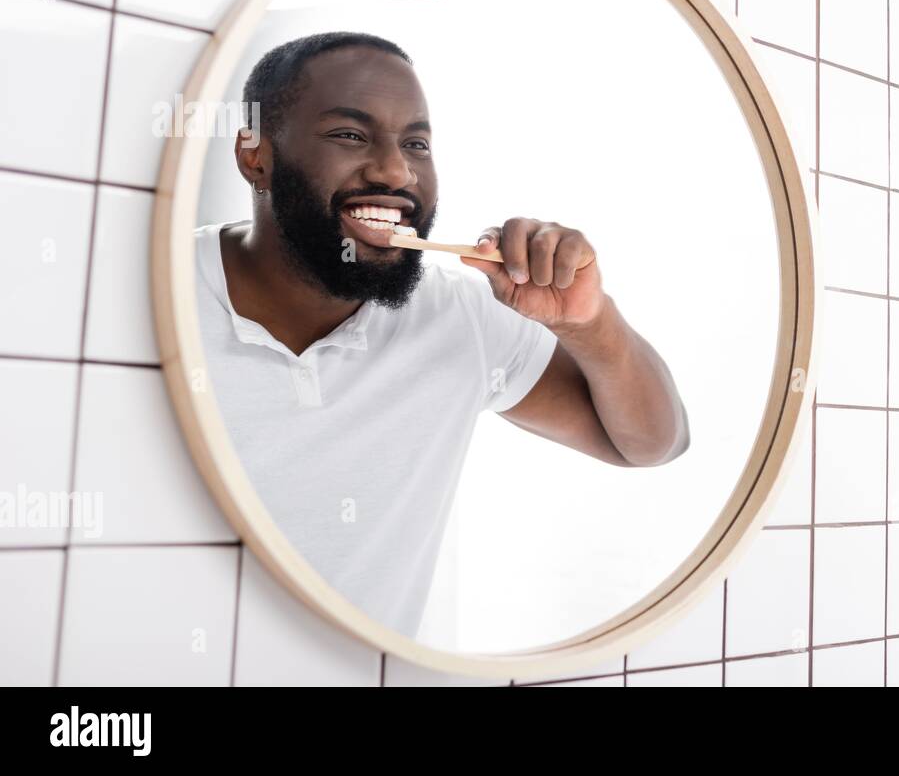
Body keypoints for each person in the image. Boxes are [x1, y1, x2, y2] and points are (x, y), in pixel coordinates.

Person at [194, 31, 689, 635]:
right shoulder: (152, 291)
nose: (396, 171)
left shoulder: (460, 317)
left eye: (417, 143)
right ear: (255, 156)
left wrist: (590, 324)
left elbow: (652, 443)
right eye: (350, 135)